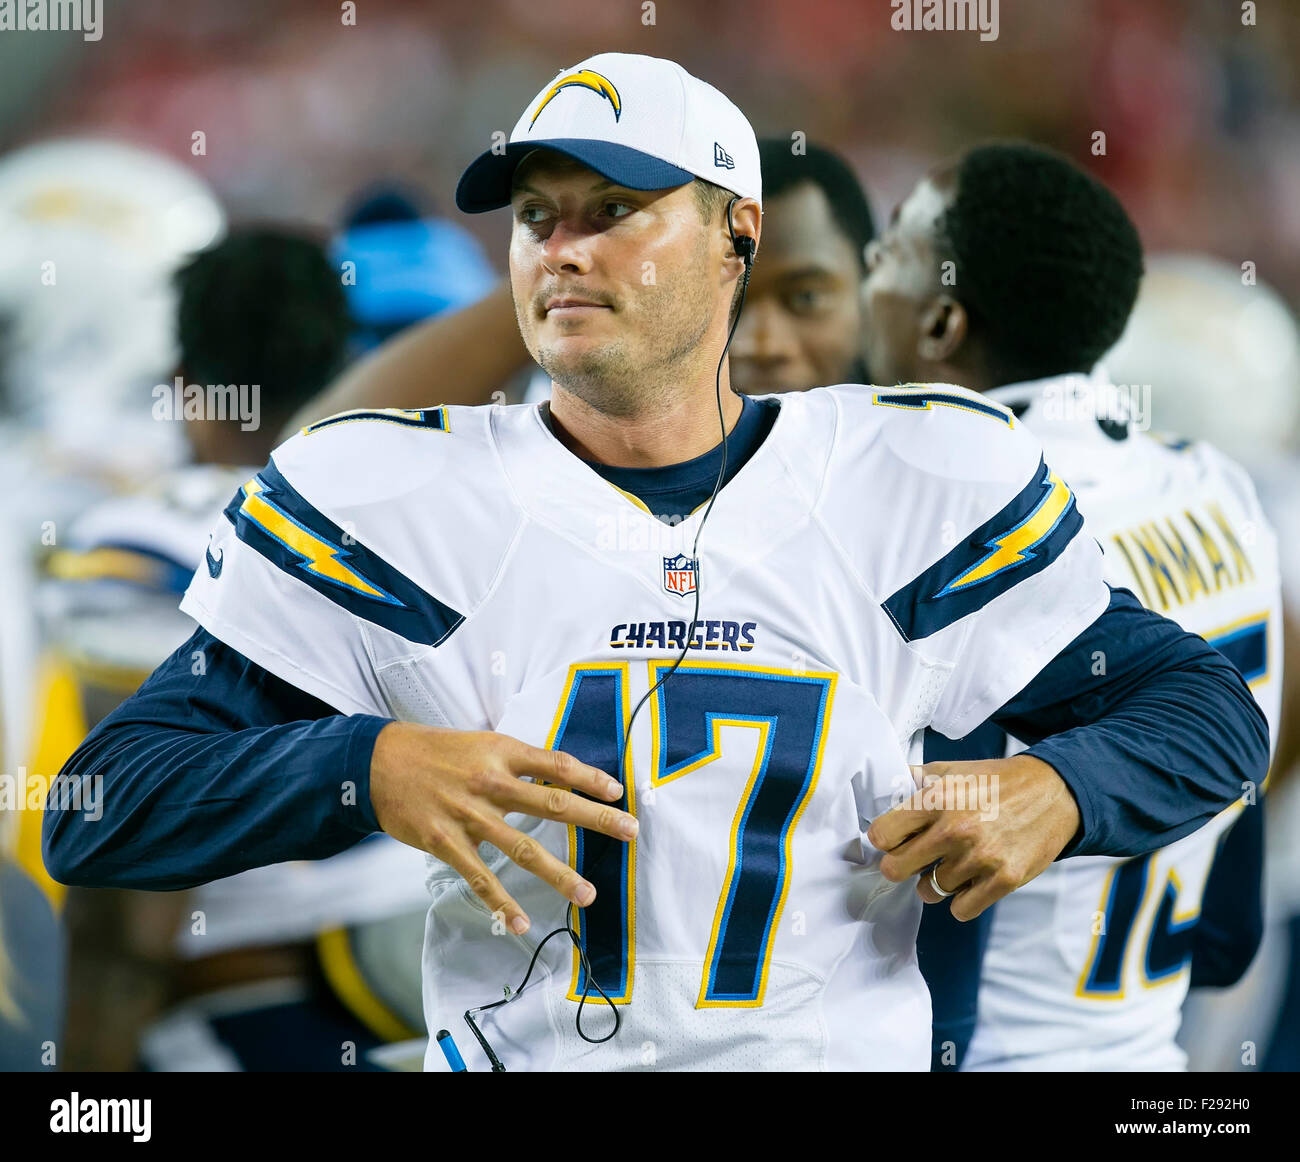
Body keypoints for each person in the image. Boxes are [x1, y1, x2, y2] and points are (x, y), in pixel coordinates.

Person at [45, 53, 1267, 1073]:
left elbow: (1206, 708)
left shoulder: (914, 475)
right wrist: (365, 764)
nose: (561, 250)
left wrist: (1061, 789)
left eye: (612, 211)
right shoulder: (390, 495)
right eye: (536, 217)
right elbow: (105, 807)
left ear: (736, 235)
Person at [862, 141, 1282, 1070]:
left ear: (941, 323)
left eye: (887, 251)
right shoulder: (1214, 487)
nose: (866, 274)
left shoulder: (964, 513)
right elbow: (1229, 907)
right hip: (1148, 1047)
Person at [43, 227, 431, 1070]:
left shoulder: (135, 538)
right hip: (440, 981)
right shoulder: (409, 509)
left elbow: (133, 873)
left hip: (259, 1002)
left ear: (189, 388)